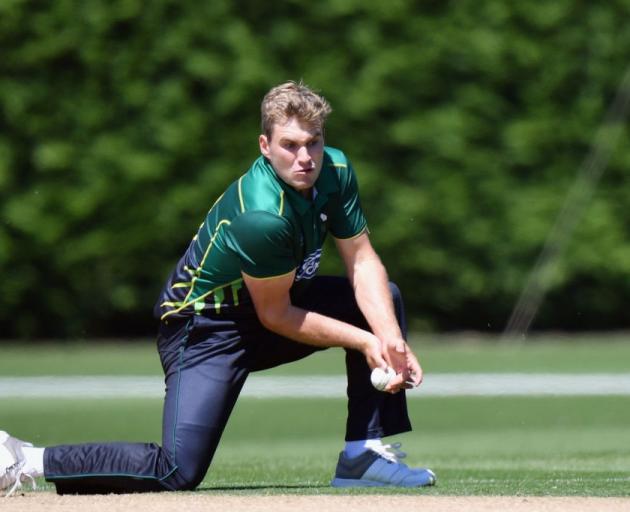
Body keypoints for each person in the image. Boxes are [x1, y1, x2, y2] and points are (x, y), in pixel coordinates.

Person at [1, 81, 436, 496]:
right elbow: (276, 316)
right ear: (265, 147)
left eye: (314, 142)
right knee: (177, 470)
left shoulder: (335, 171)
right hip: (203, 329)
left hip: (267, 307)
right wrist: (366, 341)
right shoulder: (262, 214)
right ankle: (25, 459)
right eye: (290, 145)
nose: (305, 157)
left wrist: (390, 339)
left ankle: (363, 454)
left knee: (385, 301)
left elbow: (361, 259)